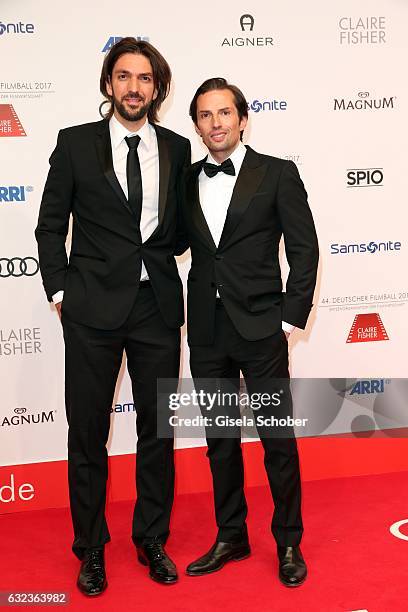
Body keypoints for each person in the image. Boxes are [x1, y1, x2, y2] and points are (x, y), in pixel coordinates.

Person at [35, 37, 190, 594]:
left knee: (158, 433)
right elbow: (50, 225)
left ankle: (151, 538)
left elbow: (183, 230)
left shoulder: (176, 148)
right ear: (109, 85)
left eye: (144, 78)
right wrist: (60, 293)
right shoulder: (75, 144)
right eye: (123, 76)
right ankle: (91, 549)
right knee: (88, 435)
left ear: (157, 88)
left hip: (156, 309)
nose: (133, 87)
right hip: (91, 311)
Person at [182, 78, 318, 587]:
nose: (215, 123)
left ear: (242, 118)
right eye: (204, 115)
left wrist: (288, 317)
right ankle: (231, 535)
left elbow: (304, 250)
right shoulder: (185, 179)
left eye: (224, 113)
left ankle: (287, 541)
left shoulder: (278, 174)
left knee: (276, 441)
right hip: (207, 332)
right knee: (219, 440)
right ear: (196, 125)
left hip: (262, 330)